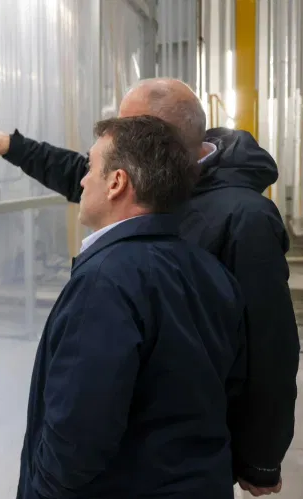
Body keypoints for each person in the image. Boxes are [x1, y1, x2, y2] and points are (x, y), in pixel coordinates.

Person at [0, 78, 300, 496]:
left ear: (154, 143)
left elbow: (269, 347)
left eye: (126, 128)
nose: (88, 177)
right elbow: (84, 174)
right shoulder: (158, 213)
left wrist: (260, 458)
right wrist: (15, 146)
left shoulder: (241, 219)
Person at [13, 115, 246, 498]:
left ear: (117, 182)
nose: (83, 180)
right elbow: (231, 393)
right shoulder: (212, 272)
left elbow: (77, 437)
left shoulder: (106, 282)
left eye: (91, 167)